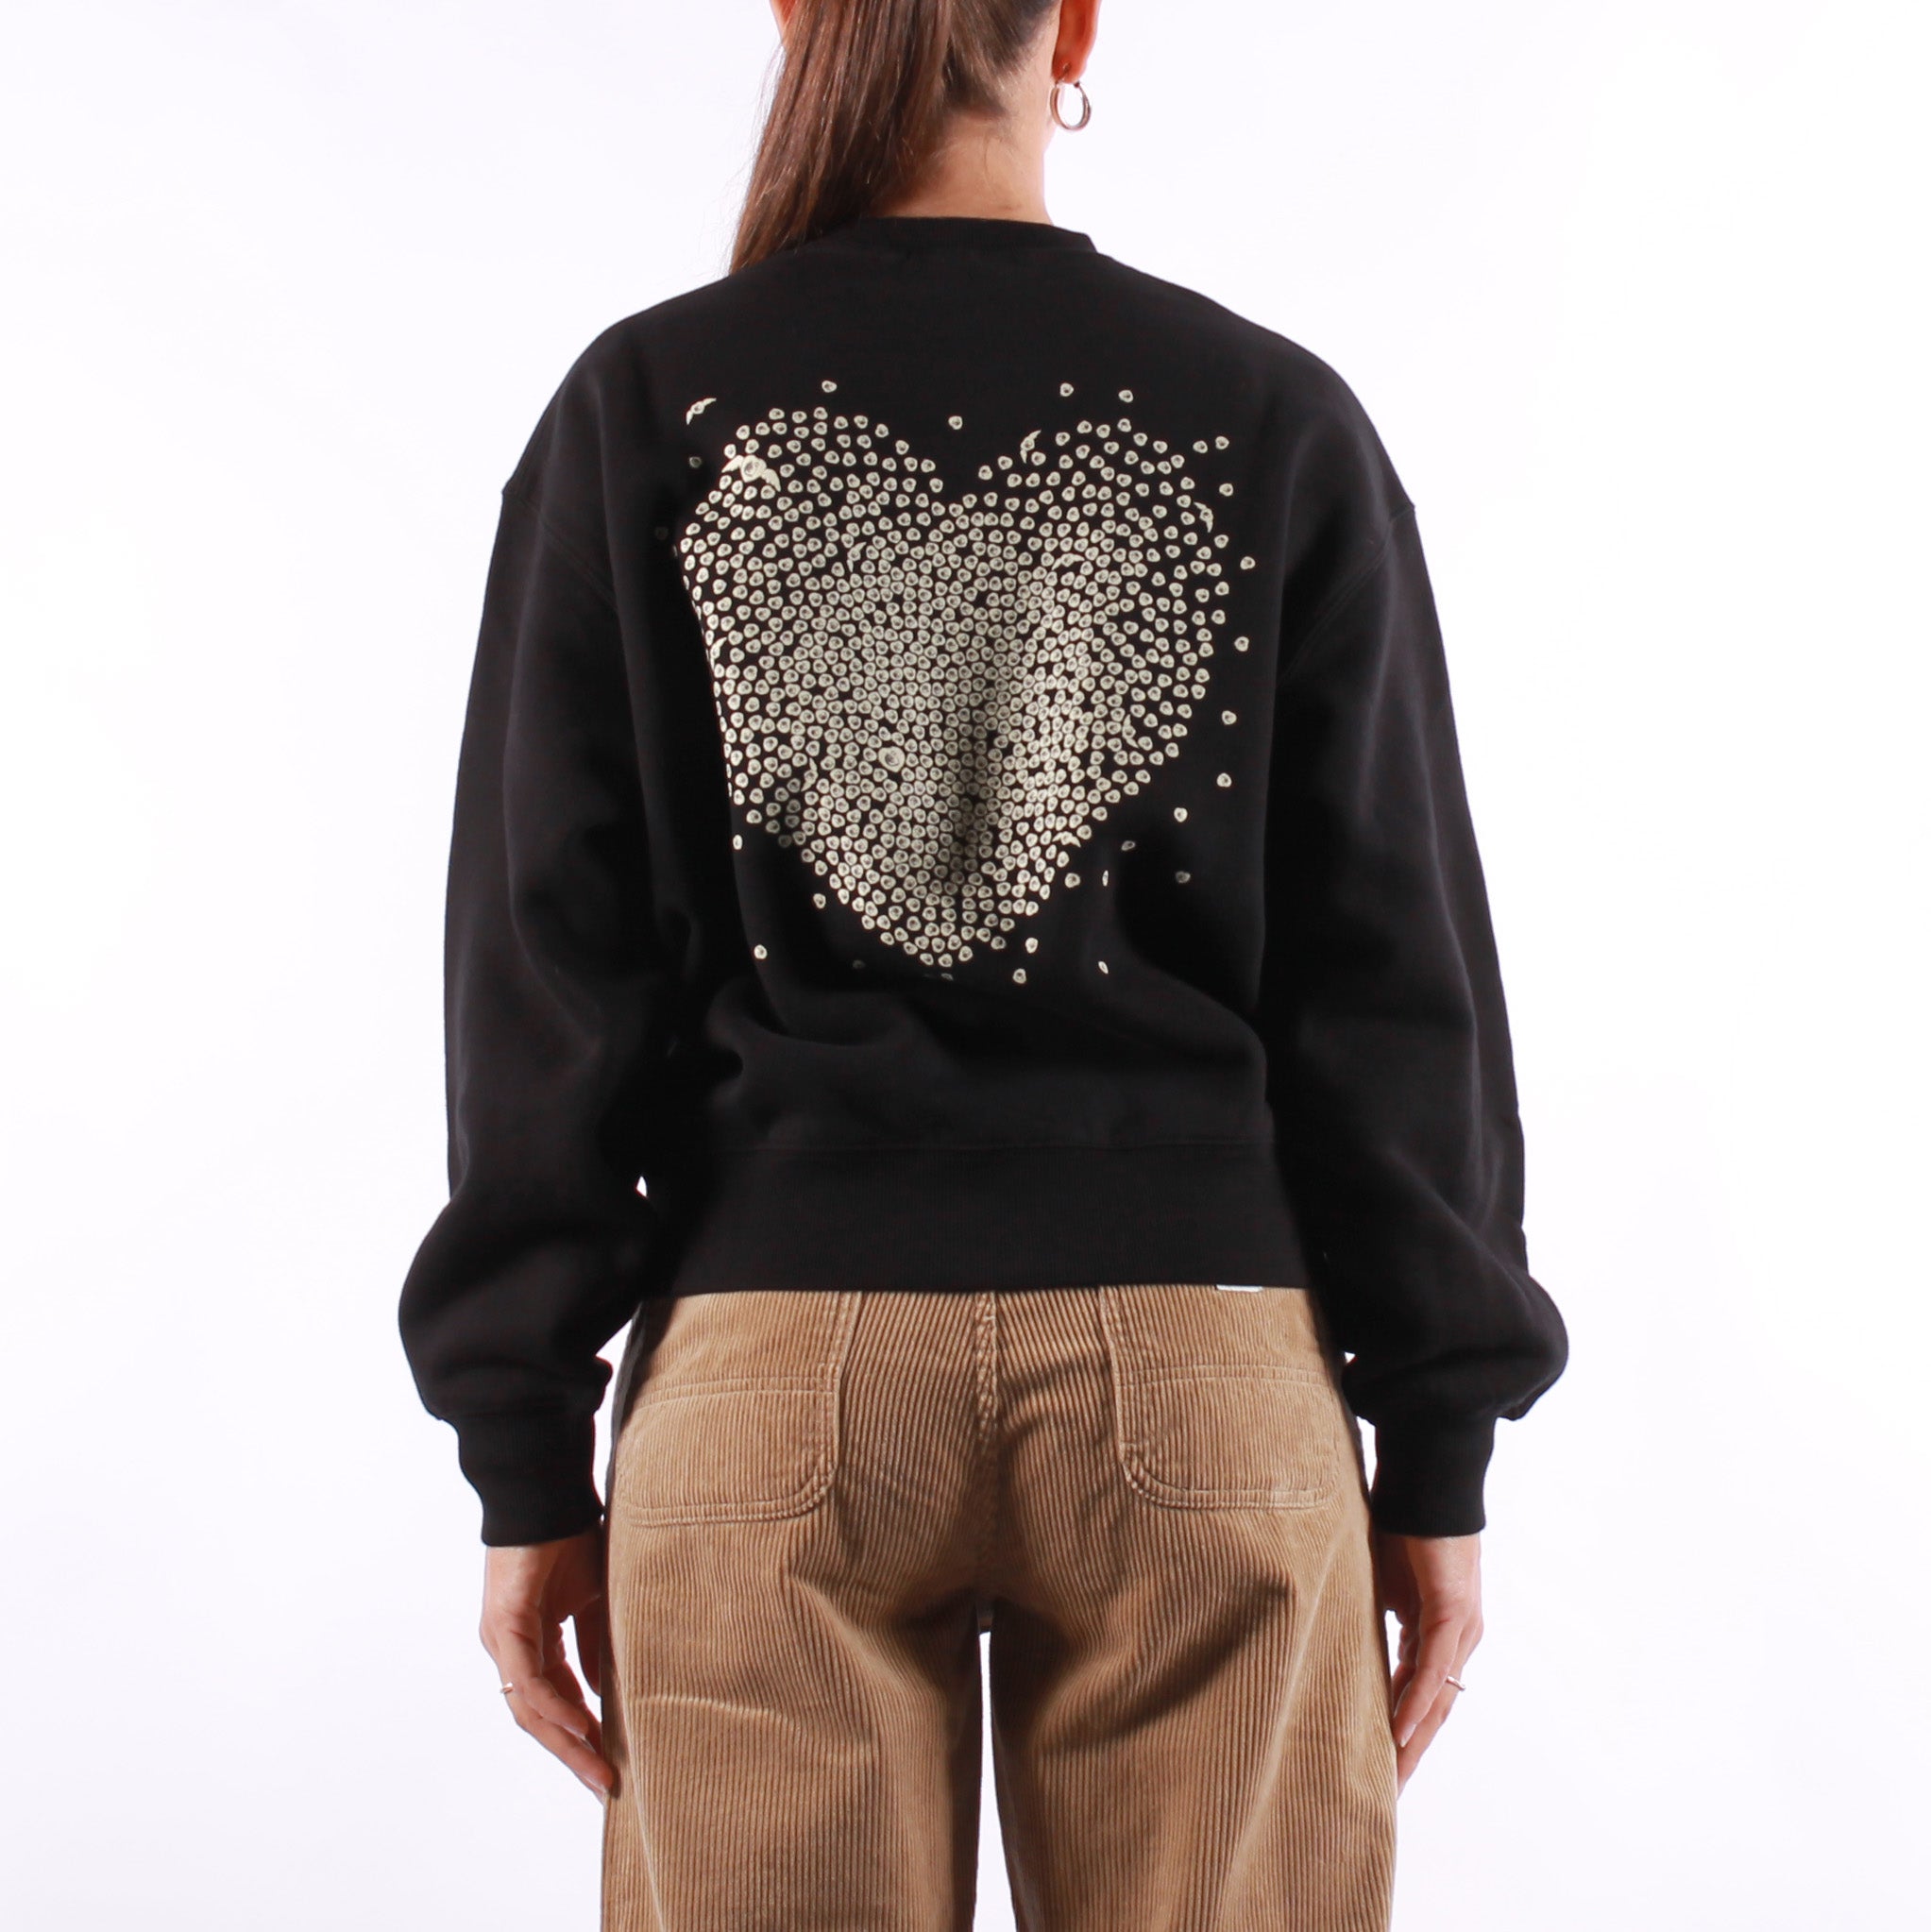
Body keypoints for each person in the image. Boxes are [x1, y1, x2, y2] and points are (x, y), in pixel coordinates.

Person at [398, 0, 1568, 1924]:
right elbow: (1389, 965)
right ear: (1074, 24)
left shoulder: (650, 399)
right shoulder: (1269, 411)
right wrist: (1437, 1443)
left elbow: (549, 962)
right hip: (1204, 1369)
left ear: (799, 17)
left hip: (771, 1375)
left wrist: (522, 1449)